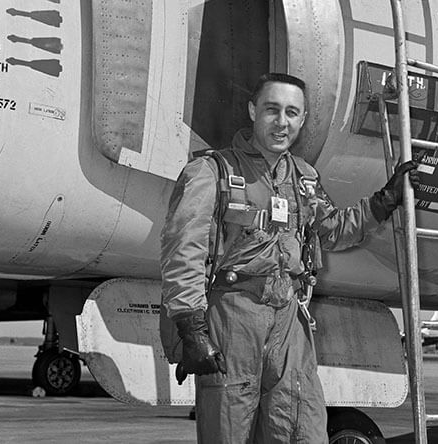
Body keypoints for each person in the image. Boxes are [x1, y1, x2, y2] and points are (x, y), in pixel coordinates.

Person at [160, 72, 418, 443]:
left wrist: (383, 202)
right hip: (233, 319)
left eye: (292, 113)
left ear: (302, 118)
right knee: (228, 431)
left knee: (302, 429)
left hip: (289, 320)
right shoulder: (210, 172)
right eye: (272, 110)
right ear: (253, 111)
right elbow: (183, 249)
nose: (282, 123)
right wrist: (191, 327)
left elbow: (333, 230)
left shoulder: (303, 179)